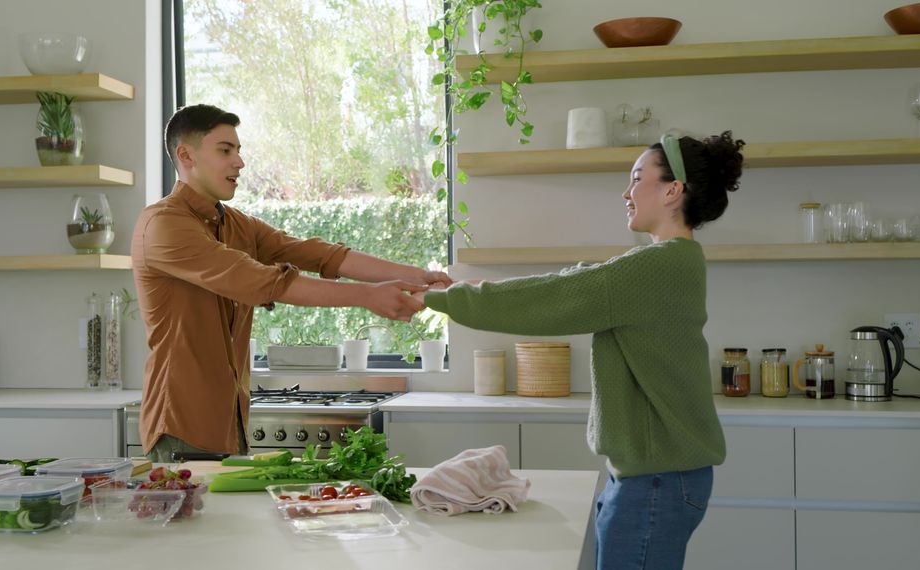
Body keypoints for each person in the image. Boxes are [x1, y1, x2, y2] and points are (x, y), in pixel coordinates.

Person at [415, 131, 745, 570]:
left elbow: (550, 299)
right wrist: (461, 288)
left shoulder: (654, 267)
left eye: (636, 178)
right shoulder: (669, 263)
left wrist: (433, 299)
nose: (626, 192)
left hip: (656, 481)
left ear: (672, 190)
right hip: (658, 476)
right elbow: (572, 283)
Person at [132, 103, 450, 462]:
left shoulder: (238, 225)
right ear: (185, 155)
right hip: (181, 426)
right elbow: (263, 282)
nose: (239, 162)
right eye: (225, 150)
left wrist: (418, 276)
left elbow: (318, 254)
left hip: (231, 422)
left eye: (238, 151)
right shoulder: (162, 225)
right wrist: (367, 296)